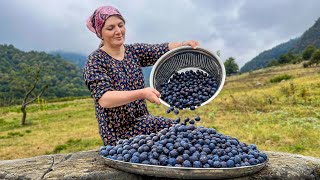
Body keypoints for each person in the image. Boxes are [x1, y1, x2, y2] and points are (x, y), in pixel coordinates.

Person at [83, 5, 200, 146]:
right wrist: (142, 93)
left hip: (144, 122)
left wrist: (182, 44)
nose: (118, 31)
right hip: (118, 135)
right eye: (110, 28)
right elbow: (105, 99)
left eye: (121, 25)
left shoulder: (133, 51)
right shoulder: (95, 60)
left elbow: (161, 49)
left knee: (187, 134)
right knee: (173, 142)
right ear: (100, 33)